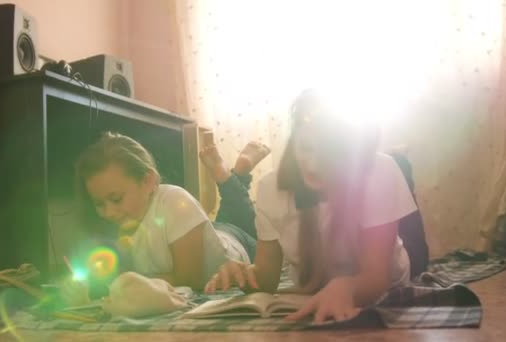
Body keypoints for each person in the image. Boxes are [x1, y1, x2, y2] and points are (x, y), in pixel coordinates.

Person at [204, 89, 420, 324]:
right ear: (293, 143)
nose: (314, 164)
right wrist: (245, 275)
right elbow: (266, 277)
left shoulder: (377, 171)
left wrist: (346, 288)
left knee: (418, 248)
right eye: (306, 148)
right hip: (317, 281)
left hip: (389, 275)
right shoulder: (271, 187)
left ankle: (401, 161)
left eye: (330, 152)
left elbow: (376, 278)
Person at [74, 132, 270, 290]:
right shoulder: (125, 220)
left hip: (237, 243)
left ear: (148, 181)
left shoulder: (175, 200)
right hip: (207, 232)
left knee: (249, 224)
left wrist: (119, 284)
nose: (108, 212)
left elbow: (189, 280)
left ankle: (236, 172)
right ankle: (237, 175)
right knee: (227, 215)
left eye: (116, 199)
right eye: (99, 204)